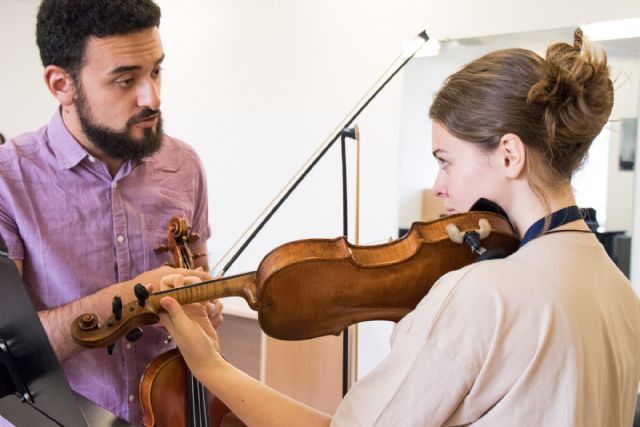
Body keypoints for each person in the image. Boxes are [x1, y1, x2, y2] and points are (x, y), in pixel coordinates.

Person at [157, 29, 640, 426]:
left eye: (446, 162)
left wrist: (209, 365)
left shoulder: (482, 294)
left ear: (509, 155)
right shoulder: (620, 292)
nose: (439, 186)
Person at [0, 0, 220, 425]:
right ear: (61, 84)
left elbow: (202, 281)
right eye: (125, 80)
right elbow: (10, 351)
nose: (152, 97)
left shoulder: (184, 165)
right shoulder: (8, 180)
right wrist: (137, 294)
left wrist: (205, 305)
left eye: (156, 70)